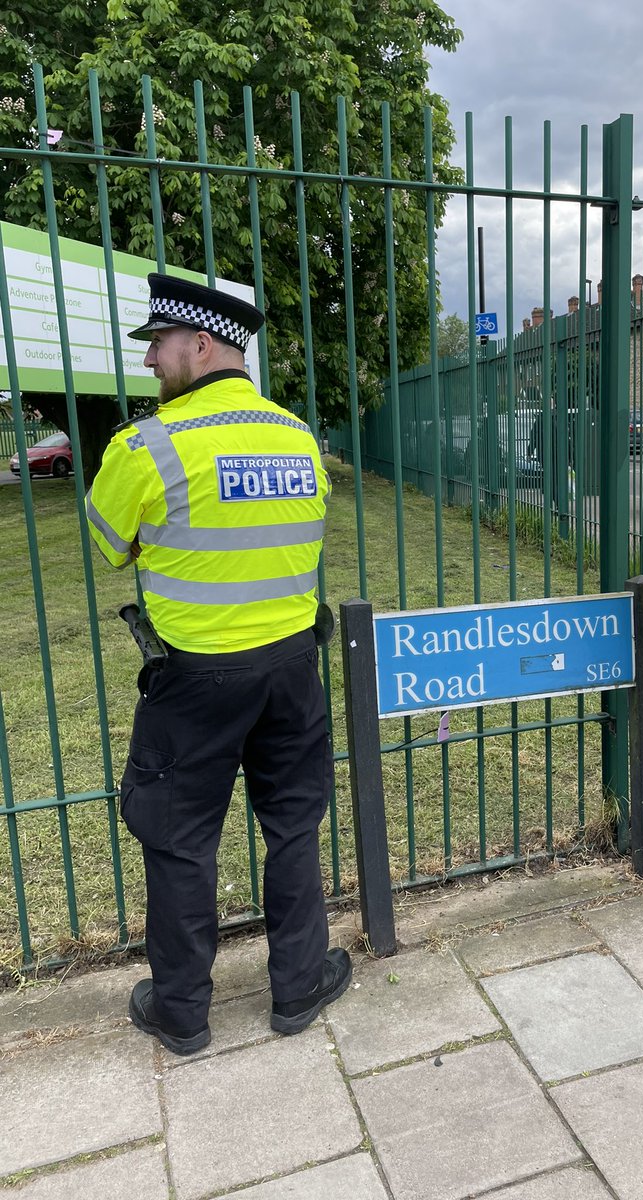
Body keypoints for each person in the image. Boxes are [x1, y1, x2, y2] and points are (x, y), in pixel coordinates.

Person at [86, 274, 351, 1054]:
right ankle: (298, 987)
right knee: (293, 824)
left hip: (195, 681)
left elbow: (110, 546)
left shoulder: (146, 446)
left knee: (178, 838)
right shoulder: (301, 439)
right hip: (292, 667)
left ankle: (182, 1012)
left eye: (158, 346)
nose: (150, 362)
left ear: (200, 345)